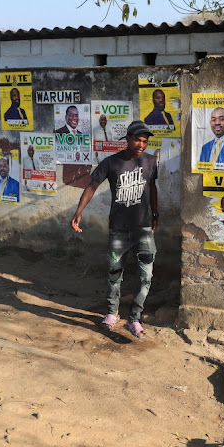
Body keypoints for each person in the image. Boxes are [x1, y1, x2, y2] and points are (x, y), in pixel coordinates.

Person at [71, 120, 159, 339]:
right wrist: (78, 212)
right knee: (114, 274)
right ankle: (112, 313)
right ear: (128, 139)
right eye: (137, 139)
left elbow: (153, 189)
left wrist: (156, 214)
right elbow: (92, 186)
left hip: (144, 229)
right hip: (119, 230)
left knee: (145, 276)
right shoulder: (112, 163)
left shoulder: (150, 162)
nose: (141, 144)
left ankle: (135, 319)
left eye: (145, 141)